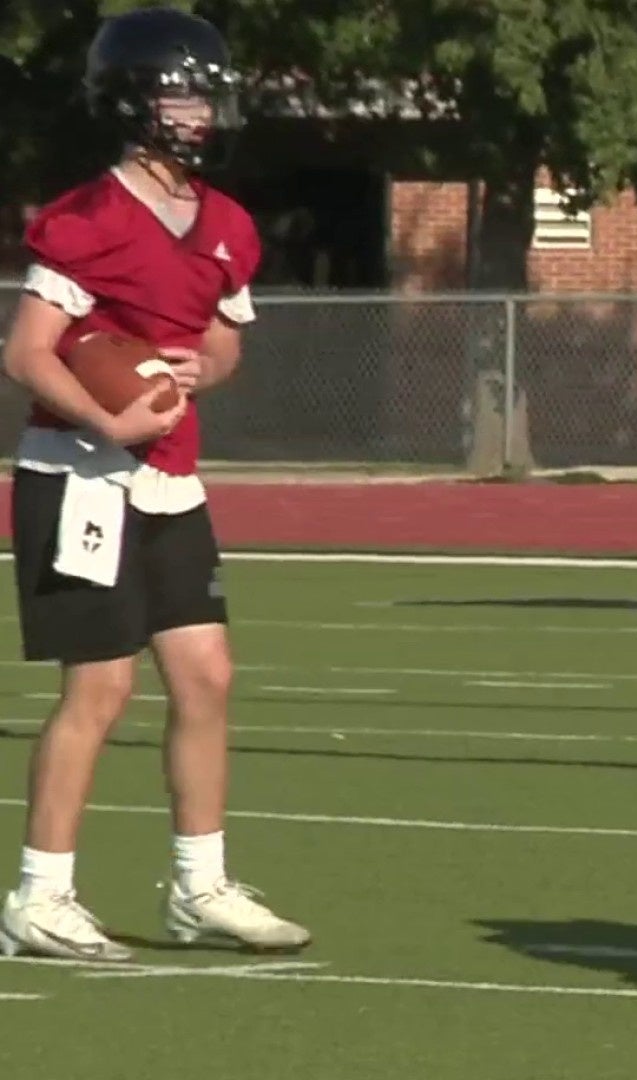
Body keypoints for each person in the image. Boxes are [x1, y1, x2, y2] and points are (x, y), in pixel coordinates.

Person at [0, 7, 310, 961]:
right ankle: (39, 895)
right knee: (99, 686)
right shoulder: (89, 218)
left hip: (170, 480)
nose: (198, 111)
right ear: (131, 99)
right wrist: (110, 413)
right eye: (179, 91)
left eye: (205, 93)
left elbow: (222, 346)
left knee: (207, 675)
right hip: (82, 478)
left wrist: (191, 373)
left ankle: (199, 885)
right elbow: (26, 353)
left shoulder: (223, 224)